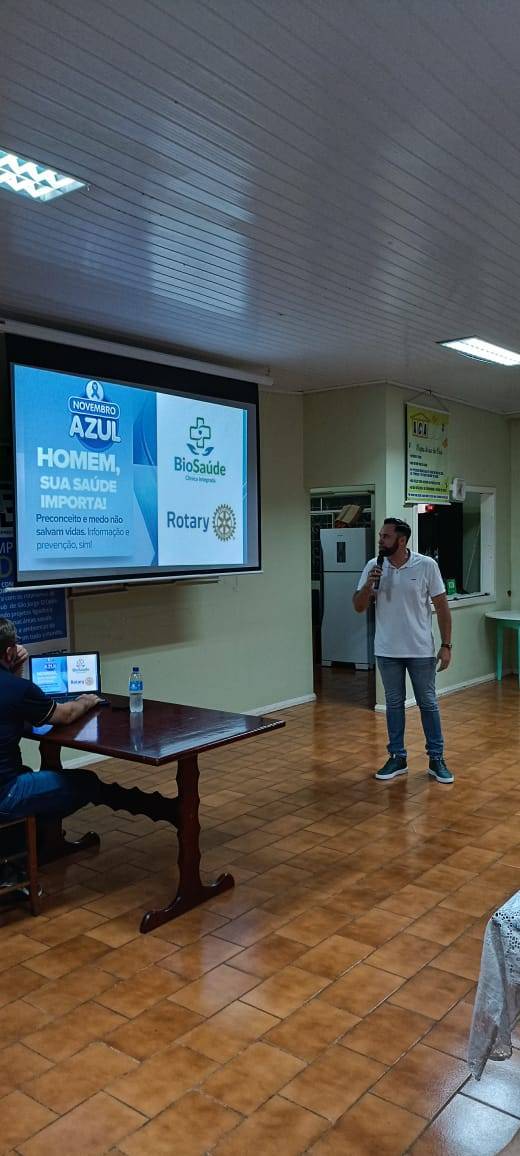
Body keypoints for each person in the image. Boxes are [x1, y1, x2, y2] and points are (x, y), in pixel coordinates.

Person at [0, 617, 178, 828]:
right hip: (7, 793)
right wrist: (86, 700)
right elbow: (64, 715)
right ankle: (43, 840)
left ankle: (37, 841)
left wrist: (14, 666)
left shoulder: (15, 688)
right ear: (10, 651)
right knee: (87, 782)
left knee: (27, 772)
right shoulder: (17, 689)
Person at [353, 517, 454, 784]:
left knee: (428, 704)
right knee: (394, 705)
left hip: (420, 649)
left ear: (401, 540)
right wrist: (368, 587)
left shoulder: (426, 565)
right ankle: (397, 757)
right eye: (380, 536)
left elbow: (442, 607)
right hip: (387, 650)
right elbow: (358, 606)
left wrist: (446, 645)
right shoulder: (373, 566)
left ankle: (436, 759)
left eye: (385, 536)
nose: (380, 540)